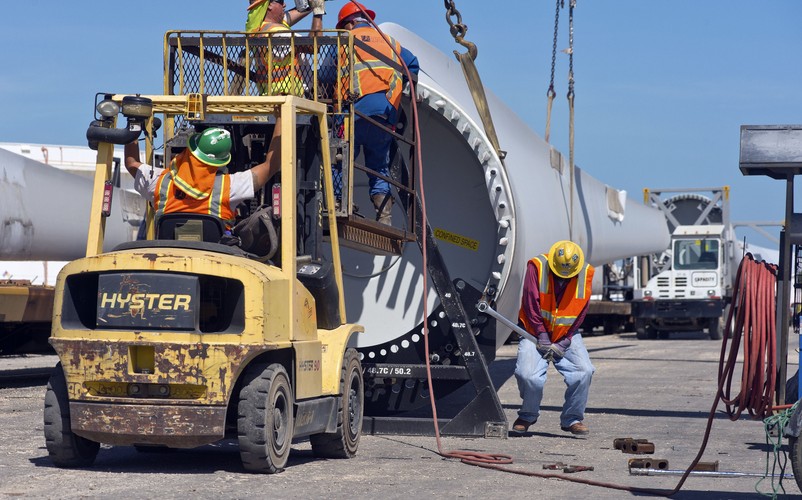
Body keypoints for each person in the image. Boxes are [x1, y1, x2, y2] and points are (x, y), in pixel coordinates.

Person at [335, 2, 419, 225]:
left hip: (354, 113)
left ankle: (338, 203)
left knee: (341, 159)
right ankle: (384, 217)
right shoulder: (390, 42)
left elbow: (325, 72)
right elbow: (412, 65)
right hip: (384, 115)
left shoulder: (345, 41)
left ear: (349, 23)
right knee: (379, 167)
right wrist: (399, 91)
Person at [513, 240, 596, 436]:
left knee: (584, 371)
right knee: (528, 375)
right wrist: (541, 335)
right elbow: (530, 303)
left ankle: (572, 419)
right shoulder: (536, 267)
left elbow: (581, 310)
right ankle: (527, 415)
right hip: (534, 331)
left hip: (566, 333)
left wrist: (566, 340)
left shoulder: (585, 273)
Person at [124, 126, 280, 231]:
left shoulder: (160, 181)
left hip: (169, 256)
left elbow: (131, 163)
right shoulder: (229, 186)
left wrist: (134, 125)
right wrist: (280, 116)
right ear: (221, 161)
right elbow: (270, 166)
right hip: (216, 261)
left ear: (192, 150)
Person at [246, 0, 326, 96]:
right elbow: (313, 46)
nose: (284, 5)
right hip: (283, 97)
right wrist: (318, 12)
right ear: (269, 5)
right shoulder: (276, 32)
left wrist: (311, 4)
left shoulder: (260, 28)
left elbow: (295, 13)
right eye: (280, 1)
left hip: (272, 95)